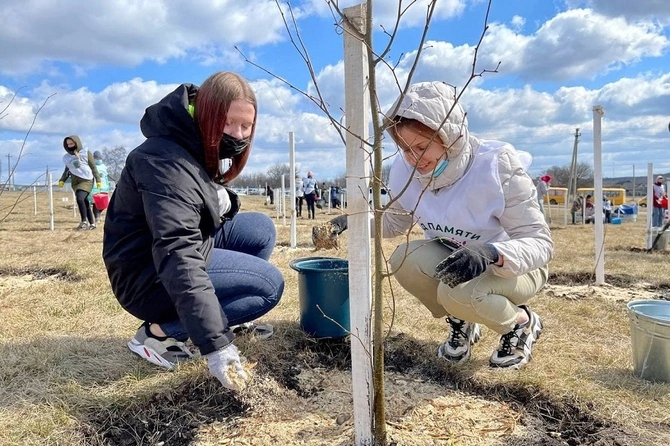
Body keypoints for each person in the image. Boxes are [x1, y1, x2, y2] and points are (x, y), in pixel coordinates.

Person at [102, 72, 285, 392]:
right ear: (206, 113)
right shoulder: (163, 161)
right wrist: (216, 344)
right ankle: (159, 333)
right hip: (148, 276)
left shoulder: (191, 139)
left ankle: (231, 318)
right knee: (268, 286)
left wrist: (225, 201)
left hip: (171, 253)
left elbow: (192, 210)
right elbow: (178, 252)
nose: (238, 134)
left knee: (260, 229)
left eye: (246, 126)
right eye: (229, 122)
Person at [381, 81, 552, 369]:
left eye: (422, 147)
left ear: (448, 137)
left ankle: (521, 322)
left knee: (457, 292)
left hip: (512, 266)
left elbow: (540, 242)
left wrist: (492, 252)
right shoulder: (404, 170)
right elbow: (394, 222)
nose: (414, 159)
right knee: (404, 259)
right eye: (406, 149)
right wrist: (354, 221)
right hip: (456, 259)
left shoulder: (496, 165)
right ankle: (463, 318)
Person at [58, 135, 102, 230]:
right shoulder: (68, 158)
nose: (70, 146)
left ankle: (84, 222)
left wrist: (98, 180)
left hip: (86, 180)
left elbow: (93, 167)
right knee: (85, 202)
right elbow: (67, 170)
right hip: (75, 182)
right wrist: (62, 180)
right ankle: (92, 224)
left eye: (72, 143)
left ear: (77, 143)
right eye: (68, 144)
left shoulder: (85, 153)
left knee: (80, 198)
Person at [88, 151, 110, 221]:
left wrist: (107, 185)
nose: (98, 160)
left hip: (104, 187)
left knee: (103, 203)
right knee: (96, 203)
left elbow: (106, 177)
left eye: (99, 158)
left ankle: (98, 215)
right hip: (95, 187)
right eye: (96, 158)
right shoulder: (92, 166)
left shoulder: (104, 167)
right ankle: (97, 217)